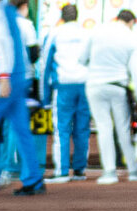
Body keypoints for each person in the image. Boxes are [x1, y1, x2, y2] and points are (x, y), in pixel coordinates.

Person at [0, 0, 44, 194]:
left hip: (6, 78)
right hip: (20, 76)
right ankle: (34, 180)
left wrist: (3, 77)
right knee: (22, 130)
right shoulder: (11, 12)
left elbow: (0, 44)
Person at [81, 9, 137, 185]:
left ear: (117, 19)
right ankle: (133, 171)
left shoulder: (97, 31)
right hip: (118, 86)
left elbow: (82, 58)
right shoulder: (131, 38)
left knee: (104, 128)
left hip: (94, 85)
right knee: (123, 129)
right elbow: (136, 72)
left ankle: (109, 172)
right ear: (132, 22)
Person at [40, 4, 91, 182]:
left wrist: (44, 96)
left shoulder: (54, 34)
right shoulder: (87, 33)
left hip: (63, 86)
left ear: (62, 17)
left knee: (61, 129)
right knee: (82, 128)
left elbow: (44, 64)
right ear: (77, 16)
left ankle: (62, 171)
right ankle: (79, 170)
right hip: (85, 85)